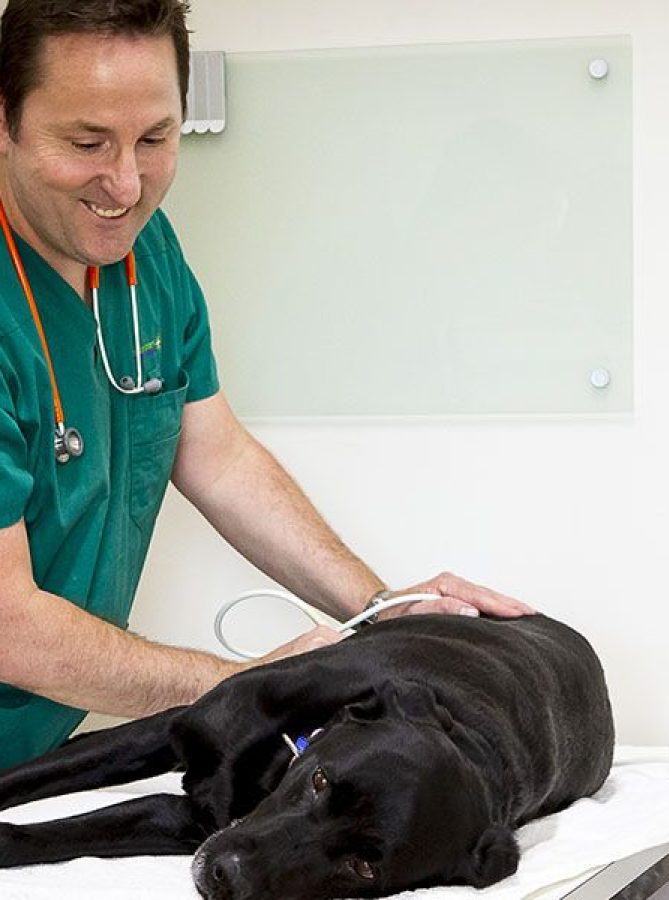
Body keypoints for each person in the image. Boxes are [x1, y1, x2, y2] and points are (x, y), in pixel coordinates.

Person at [0, 0, 532, 771]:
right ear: (6, 117)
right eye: (86, 143)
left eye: (155, 139)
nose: (124, 184)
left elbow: (213, 453)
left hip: (28, 760)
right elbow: (10, 626)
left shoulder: (143, 255)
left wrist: (381, 612)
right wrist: (251, 687)